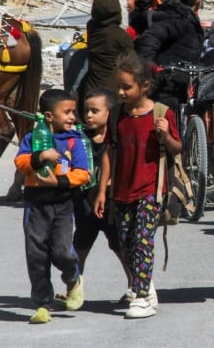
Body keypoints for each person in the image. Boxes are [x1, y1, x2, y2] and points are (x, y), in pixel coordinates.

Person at [93, 52, 181, 319]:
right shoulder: (117, 114)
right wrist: (102, 189)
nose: (120, 91)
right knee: (126, 242)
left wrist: (165, 135)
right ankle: (146, 285)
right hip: (121, 190)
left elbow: (177, 149)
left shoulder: (161, 113)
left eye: (126, 87)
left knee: (143, 240)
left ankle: (141, 297)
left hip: (151, 190)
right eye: (118, 86)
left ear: (144, 86)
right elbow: (110, 152)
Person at [14, 89, 90, 323]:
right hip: (36, 205)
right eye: (66, 112)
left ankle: (73, 278)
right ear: (49, 116)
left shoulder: (73, 141)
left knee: (61, 251)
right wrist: (41, 156)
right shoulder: (32, 138)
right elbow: (20, 162)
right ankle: (42, 304)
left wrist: (59, 181)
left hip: (63, 204)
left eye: (73, 112)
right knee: (36, 255)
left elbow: (83, 173)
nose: (72, 117)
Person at [58, 88, 132, 304]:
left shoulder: (119, 137)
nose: (88, 115)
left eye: (94, 111)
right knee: (79, 247)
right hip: (84, 203)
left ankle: (134, 286)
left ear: (110, 113)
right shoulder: (78, 138)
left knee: (120, 246)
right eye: (86, 111)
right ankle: (73, 288)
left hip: (112, 203)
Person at [136, 0, 205, 109]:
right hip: (167, 85)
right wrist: (150, 66)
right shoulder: (181, 20)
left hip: (179, 84)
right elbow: (151, 35)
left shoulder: (183, 16)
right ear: (199, 0)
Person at [77, 0, 134, 116]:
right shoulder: (120, 35)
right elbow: (132, 61)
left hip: (91, 85)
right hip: (113, 90)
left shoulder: (91, 27)